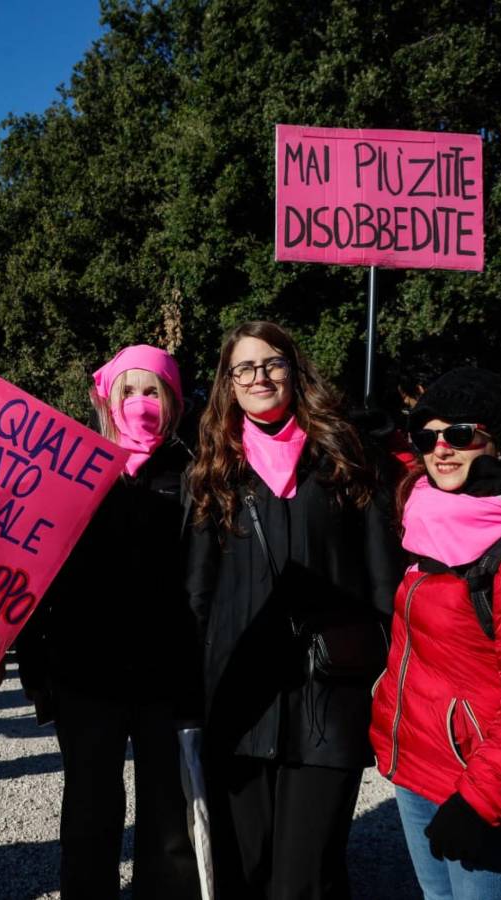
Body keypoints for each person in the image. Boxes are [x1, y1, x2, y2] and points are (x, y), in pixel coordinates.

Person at [185, 320, 400, 899]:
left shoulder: (346, 455)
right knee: (244, 870)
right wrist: (194, 693)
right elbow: (198, 594)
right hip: (240, 702)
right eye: (244, 368)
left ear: (294, 369)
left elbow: (384, 581)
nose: (260, 377)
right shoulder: (213, 471)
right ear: (228, 383)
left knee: (304, 877)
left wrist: (381, 676)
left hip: (328, 700)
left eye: (272, 363)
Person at [369, 367, 501, 899]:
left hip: (485, 787)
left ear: (499, 441)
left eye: (461, 434)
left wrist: (480, 800)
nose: (441, 449)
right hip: (419, 766)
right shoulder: (435, 513)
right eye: (428, 437)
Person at [19, 343, 200, 898]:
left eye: (153, 391)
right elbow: (34, 571)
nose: (140, 403)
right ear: (108, 399)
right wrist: (36, 671)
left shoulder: (195, 473)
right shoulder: (72, 469)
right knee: (88, 815)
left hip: (167, 678)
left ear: (173, 400)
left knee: (170, 823)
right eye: (129, 391)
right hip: (85, 674)